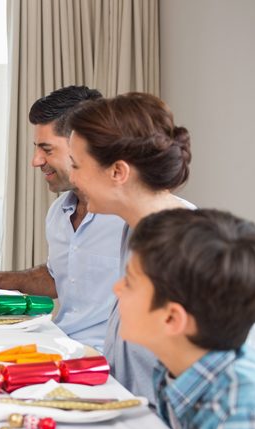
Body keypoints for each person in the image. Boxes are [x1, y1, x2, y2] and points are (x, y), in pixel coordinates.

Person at [0, 86, 124, 351]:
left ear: (82, 145)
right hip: (59, 342)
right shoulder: (60, 211)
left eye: (46, 149)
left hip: (104, 360)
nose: (36, 161)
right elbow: (58, 278)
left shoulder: (132, 218)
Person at [115, 208, 255, 429]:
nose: (117, 288)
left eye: (129, 282)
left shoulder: (237, 412)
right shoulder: (176, 367)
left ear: (171, 319)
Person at [67, 92, 194, 403]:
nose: (71, 177)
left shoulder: (187, 249)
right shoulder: (133, 229)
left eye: (76, 165)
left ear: (118, 172)